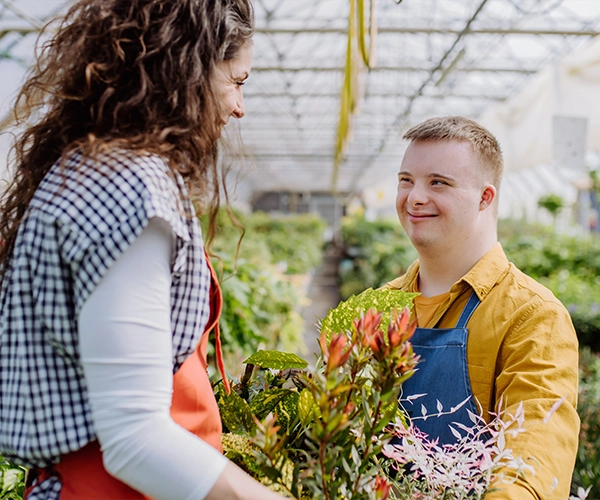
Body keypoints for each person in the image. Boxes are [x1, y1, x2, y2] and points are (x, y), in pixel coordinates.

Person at [0, 1, 285, 499]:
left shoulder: (94, 172)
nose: (240, 106)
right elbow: (135, 438)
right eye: (237, 81)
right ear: (187, 71)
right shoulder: (128, 186)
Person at [385, 116, 579, 499]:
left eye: (437, 182)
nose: (415, 197)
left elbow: (534, 462)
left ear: (485, 197)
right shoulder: (380, 307)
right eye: (406, 180)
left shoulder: (532, 316)